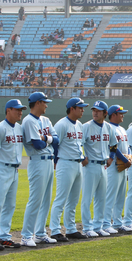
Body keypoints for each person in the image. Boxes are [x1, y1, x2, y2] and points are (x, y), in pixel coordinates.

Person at [0, 99, 26, 251]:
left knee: (10, 204)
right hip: (1, 167)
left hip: (14, 169)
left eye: (21, 109)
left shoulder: (19, 128)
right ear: (8, 110)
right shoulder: (0, 128)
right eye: (17, 109)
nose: (20, 112)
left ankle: (4, 236)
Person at [20, 92, 59, 246]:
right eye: (44, 102)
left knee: (45, 200)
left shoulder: (46, 120)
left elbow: (56, 140)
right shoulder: (29, 121)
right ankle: (26, 235)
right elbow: (37, 144)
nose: (46, 105)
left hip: (49, 161)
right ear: (37, 103)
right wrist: (46, 139)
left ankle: (40, 233)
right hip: (37, 161)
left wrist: (45, 138)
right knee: (35, 199)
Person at [49, 98, 89, 241]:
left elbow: (78, 144)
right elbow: (54, 144)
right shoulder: (61, 124)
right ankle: (54, 230)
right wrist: (55, 161)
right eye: (80, 107)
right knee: (61, 198)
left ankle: (71, 229)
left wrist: (82, 156)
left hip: (78, 164)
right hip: (65, 163)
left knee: (73, 199)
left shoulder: (80, 125)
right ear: (72, 108)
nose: (83, 110)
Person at [81, 101, 117, 237]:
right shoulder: (86, 127)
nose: (95, 112)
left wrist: (112, 157)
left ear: (105, 113)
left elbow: (114, 144)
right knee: (87, 198)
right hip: (90, 166)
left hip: (104, 166)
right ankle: (87, 227)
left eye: (99, 110)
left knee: (101, 198)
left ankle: (98, 226)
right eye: (94, 110)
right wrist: (82, 156)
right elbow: (79, 143)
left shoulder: (109, 127)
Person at [103, 105, 131, 233]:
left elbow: (127, 147)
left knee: (120, 195)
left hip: (123, 166)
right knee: (110, 196)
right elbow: (113, 147)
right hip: (114, 166)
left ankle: (118, 222)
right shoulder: (109, 128)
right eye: (120, 113)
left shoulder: (123, 129)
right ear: (113, 115)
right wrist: (125, 160)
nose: (122, 115)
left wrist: (129, 158)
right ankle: (105, 223)